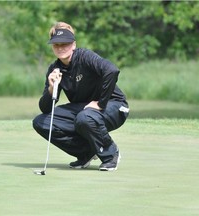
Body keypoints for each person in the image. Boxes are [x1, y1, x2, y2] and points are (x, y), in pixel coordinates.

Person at [33, 22, 129, 171]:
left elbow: (112, 70)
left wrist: (100, 103)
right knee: (41, 122)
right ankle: (86, 152)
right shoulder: (55, 70)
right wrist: (52, 87)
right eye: (56, 45)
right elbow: (45, 108)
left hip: (114, 106)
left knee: (85, 117)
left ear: (73, 45)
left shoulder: (84, 57)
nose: (60, 48)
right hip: (85, 111)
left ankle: (111, 154)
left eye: (65, 44)